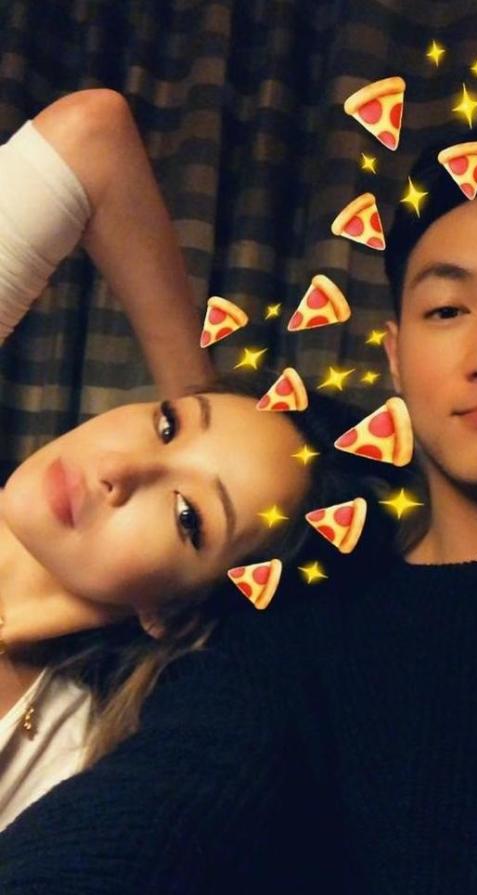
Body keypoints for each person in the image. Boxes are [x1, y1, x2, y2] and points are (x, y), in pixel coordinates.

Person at [1, 109, 477, 895]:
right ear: (396, 356)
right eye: (446, 310)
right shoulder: (293, 641)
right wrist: (206, 416)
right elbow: (92, 880)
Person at [0, 94, 401, 830]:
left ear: (176, 613)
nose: (119, 471)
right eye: (165, 425)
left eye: (189, 517)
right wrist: (198, 392)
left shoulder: (71, 773)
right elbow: (91, 136)